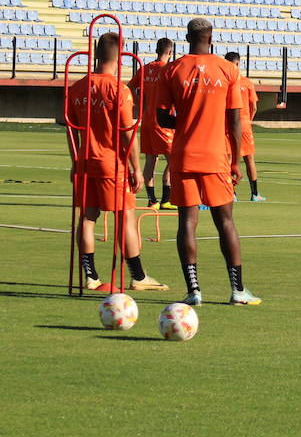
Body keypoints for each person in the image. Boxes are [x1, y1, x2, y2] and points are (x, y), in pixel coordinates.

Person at [156, 17, 261, 306]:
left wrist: (186, 120)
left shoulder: (173, 69)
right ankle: (237, 290)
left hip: (184, 156)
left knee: (187, 224)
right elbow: (235, 120)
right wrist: (236, 160)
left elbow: (162, 117)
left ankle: (193, 291)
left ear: (187, 38)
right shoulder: (228, 70)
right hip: (217, 157)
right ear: (211, 38)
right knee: (225, 221)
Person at [65, 32, 168, 293]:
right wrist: (136, 169)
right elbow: (126, 133)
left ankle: (90, 276)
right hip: (112, 164)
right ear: (120, 53)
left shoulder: (77, 87)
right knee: (126, 219)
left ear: (96, 53)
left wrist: (75, 161)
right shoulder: (118, 90)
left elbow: (70, 128)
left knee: (88, 218)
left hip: (86, 161)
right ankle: (139, 277)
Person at [128, 37, 175, 210]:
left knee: (150, 160)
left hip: (147, 119)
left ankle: (152, 200)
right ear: (170, 52)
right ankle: (166, 199)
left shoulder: (145, 69)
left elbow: (130, 87)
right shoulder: (168, 70)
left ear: (156, 50)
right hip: (162, 121)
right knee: (174, 159)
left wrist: (140, 102)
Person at [223, 51, 265, 200]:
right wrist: (247, 120)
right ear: (239, 63)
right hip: (244, 124)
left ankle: (231, 193)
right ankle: (255, 194)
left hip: (228, 124)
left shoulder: (224, 82)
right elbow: (253, 106)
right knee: (249, 158)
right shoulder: (246, 82)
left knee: (228, 159)